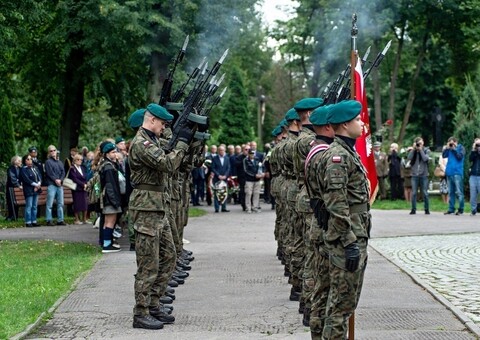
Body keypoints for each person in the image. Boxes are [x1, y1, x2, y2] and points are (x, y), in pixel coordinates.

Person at [129, 103, 192, 330]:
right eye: (163, 123)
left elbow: (176, 161)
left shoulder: (153, 140)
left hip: (158, 207)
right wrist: (182, 143)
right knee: (148, 263)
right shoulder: (141, 143)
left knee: (169, 255)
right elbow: (167, 164)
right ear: (152, 120)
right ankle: (141, 312)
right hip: (146, 208)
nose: (165, 126)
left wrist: (187, 141)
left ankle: (154, 303)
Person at [315, 100, 371, 339]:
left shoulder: (347, 152)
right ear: (346, 125)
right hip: (346, 240)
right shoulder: (338, 157)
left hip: (356, 235)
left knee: (345, 304)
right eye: (357, 120)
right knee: (340, 307)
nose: (362, 123)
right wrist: (349, 243)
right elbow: (336, 204)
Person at [98, 142, 122, 252]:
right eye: (113, 152)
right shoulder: (108, 167)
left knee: (108, 222)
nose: (115, 154)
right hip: (110, 199)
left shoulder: (107, 165)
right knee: (110, 222)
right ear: (107, 154)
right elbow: (110, 186)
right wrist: (114, 201)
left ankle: (106, 242)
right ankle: (107, 245)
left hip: (107, 198)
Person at [407, 137, 431, 215]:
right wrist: (414, 149)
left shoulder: (426, 150)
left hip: (424, 174)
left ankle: (426, 209)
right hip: (414, 174)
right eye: (418, 143)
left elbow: (425, 159)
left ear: (423, 143)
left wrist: (420, 150)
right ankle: (413, 209)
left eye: (420, 143)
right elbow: (409, 158)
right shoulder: (413, 151)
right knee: (414, 193)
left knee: (425, 192)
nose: (419, 145)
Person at [442, 136, 465, 215]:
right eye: (450, 143)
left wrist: (454, 149)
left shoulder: (461, 148)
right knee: (451, 192)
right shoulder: (449, 149)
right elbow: (444, 155)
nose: (451, 144)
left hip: (457, 172)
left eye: (452, 143)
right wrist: (447, 148)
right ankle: (451, 209)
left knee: (459, 192)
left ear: (455, 142)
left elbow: (460, 157)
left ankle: (461, 209)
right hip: (450, 172)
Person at [45, 145, 66, 226]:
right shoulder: (48, 162)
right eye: (51, 151)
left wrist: (60, 180)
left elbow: (63, 172)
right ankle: (49, 219)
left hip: (59, 185)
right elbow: (49, 173)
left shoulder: (60, 162)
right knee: (49, 203)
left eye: (54, 150)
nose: (53, 152)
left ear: (56, 151)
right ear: (49, 153)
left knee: (60, 203)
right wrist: (55, 180)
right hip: (52, 185)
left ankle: (60, 219)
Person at [20, 154, 42, 227]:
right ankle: (28, 221)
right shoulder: (23, 169)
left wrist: (38, 184)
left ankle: (34, 221)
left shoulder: (35, 167)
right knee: (29, 205)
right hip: (29, 189)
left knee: (34, 206)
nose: (30, 160)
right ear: (25, 161)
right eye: (28, 159)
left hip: (36, 189)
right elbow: (27, 180)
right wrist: (35, 185)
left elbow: (39, 176)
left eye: (30, 159)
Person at [68, 153, 89, 224]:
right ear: (74, 160)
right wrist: (83, 184)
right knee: (77, 203)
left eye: (81, 160)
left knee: (85, 203)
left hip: (84, 188)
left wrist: (86, 184)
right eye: (78, 159)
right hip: (76, 188)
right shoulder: (72, 168)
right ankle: (77, 219)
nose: (80, 161)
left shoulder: (83, 168)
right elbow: (74, 179)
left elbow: (85, 176)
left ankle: (84, 219)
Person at [211, 145, 231, 213]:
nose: (221, 151)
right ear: (218, 151)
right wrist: (218, 175)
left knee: (224, 192)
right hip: (217, 178)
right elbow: (213, 168)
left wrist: (225, 175)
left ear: (224, 151)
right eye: (220, 150)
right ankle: (217, 208)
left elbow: (228, 168)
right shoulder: (214, 158)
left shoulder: (227, 158)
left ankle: (224, 207)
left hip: (224, 178)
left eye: (222, 150)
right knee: (217, 193)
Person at [5, 156, 23, 221]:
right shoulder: (10, 169)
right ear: (14, 161)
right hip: (11, 188)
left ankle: (16, 216)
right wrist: (18, 185)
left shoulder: (21, 169)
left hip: (19, 188)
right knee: (11, 202)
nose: (20, 162)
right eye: (19, 160)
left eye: (20, 161)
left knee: (16, 202)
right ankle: (11, 216)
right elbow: (13, 179)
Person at [468, 138, 480, 215]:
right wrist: (473, 149)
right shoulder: (474, 152)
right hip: (473, 175)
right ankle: (473, 209)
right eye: (477, 144)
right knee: (473, 195)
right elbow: (470, 159)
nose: (478, 146)